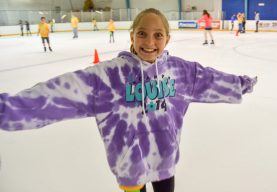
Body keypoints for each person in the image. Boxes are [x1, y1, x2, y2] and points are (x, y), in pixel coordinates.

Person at [0, 8, 257, 192]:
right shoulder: (108, 76)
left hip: (165, 157)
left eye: (158, 35)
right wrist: (7, 109)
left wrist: (239, 83)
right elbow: (57, 93)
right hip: (130, 163)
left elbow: (209, 79)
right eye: (142, 33)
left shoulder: (180, 72)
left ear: (167, 39)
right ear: (132, 36)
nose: (149, 41)